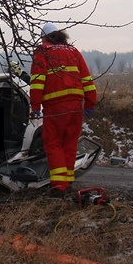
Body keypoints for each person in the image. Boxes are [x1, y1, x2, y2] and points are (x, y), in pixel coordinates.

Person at [29, 23, 97, 195]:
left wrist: (35, 106)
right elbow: (87, 79)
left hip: (55, 106)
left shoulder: (42, 52)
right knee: (69, 143)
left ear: (44, 38)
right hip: (76, 106)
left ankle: (59, 187)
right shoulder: (73, 51)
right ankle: (67, 183)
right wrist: (90, 103)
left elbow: (37, 81)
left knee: (54, 144)